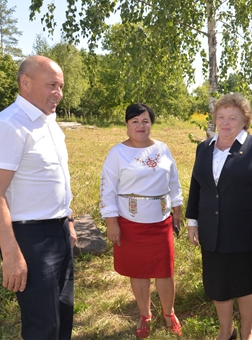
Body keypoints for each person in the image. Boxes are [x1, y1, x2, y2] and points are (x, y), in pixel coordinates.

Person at [0, 55, 77, 340]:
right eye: (52, 85)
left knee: (62, 315)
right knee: (42, 326)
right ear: (26, 82)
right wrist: (10, 253)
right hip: (30, 237)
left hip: (59, 229)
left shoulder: (49, 122)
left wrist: (68, 221)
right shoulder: (9, 125)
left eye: (60, 87)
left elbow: (54, 179)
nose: (58, 93)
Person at [186, 93, 252, 340]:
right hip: (212, 230)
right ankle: (226, 332)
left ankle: (247, 333)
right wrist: (192, 221)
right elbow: (197, 187)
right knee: (219, 284)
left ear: (244, 121)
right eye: (221, 117)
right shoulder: (204, 148)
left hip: (246, 230)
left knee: (247, 283)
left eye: (232, 118)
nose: (225, 123)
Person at [100, 103, 183, 339]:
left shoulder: (163, 149)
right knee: (139, 272)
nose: (140, 125)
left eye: (145, 121)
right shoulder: (117, 153)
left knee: (165, 271)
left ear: (151, 124)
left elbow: (174, 181)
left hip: (160, 221)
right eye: (134, 121)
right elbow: (107, 189)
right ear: (126, 124)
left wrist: (177, 209)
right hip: (130, 222)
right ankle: (145, 314)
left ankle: (169, 313)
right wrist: (111, 222)